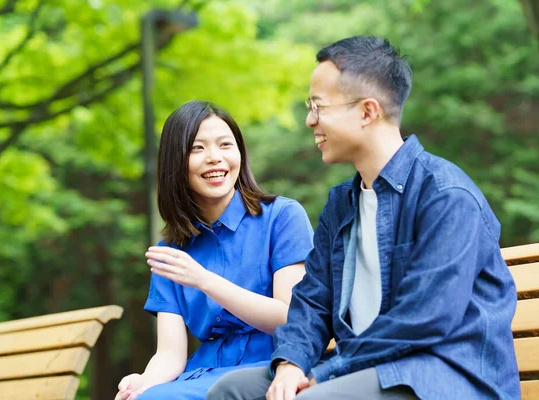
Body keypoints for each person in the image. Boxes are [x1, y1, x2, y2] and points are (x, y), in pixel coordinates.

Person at [206, 36, 520, 400]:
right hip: (366, 369)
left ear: (368, 112)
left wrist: (328, 373)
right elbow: (312, 303)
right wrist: (291, 363)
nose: (310, 120)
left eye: (318, 106)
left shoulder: (446, 196)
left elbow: (424, 320)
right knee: (231, 391)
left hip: (446, 377)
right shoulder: (342, 203)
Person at [115, 100, 314, 400]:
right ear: (176, 161)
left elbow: (291, 316)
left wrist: (203, 280)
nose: (215, 158)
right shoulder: (170, 250)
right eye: (198, 148)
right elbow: (170, 354)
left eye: (225, 145)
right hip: (202, 374)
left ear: (240, 153)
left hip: (274, 367)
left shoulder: (282, 217)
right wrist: (144, 381)